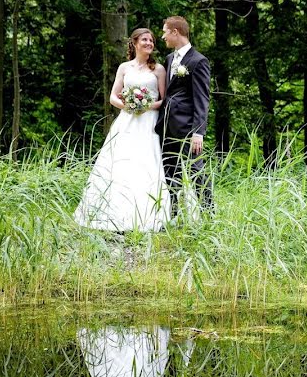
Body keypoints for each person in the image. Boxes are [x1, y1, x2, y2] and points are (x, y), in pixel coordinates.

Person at [74, 28, 171, 232]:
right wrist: (129, 106)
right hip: (126, 121)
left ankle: (147, 216)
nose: (149, 43)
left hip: (148, 123)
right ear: (135, 43)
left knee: (145, 163)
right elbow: (113, 97)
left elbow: (163, 100)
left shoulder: (159, 69)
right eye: (144, 39)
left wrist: (144, 106)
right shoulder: (124, 68)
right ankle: (113, 214)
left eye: (152, 40)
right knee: (120, 163)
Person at [155, 16, 214, 217]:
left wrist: (199, 132)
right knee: (169, 170)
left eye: (165, 32)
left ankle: (209, 214)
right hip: (167, 125)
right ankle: (173, 215)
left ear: (175, 32)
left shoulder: (198, 61)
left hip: (188, 128)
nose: (162, 36)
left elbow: (202, 99)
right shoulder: (170, 60)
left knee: (196, 171)